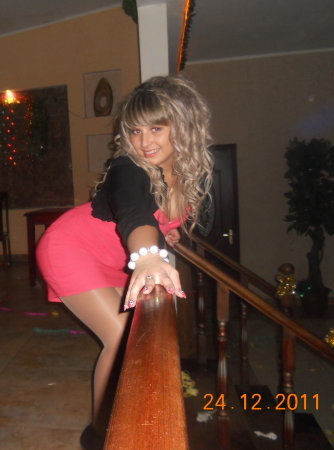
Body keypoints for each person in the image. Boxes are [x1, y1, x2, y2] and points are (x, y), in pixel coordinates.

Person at [36, 75, 213, 449]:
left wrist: (165, 236)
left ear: (184, 126)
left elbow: (154, 221)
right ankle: (101, 436)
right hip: (70, 248)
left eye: (156, 128)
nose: (144, 141)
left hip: (111, 259)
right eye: (135, 131)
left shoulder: (184, 176)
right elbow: (134, 211)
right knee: (120, 341)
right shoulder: (127, 167)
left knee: (135, 336)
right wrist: (148, 256)